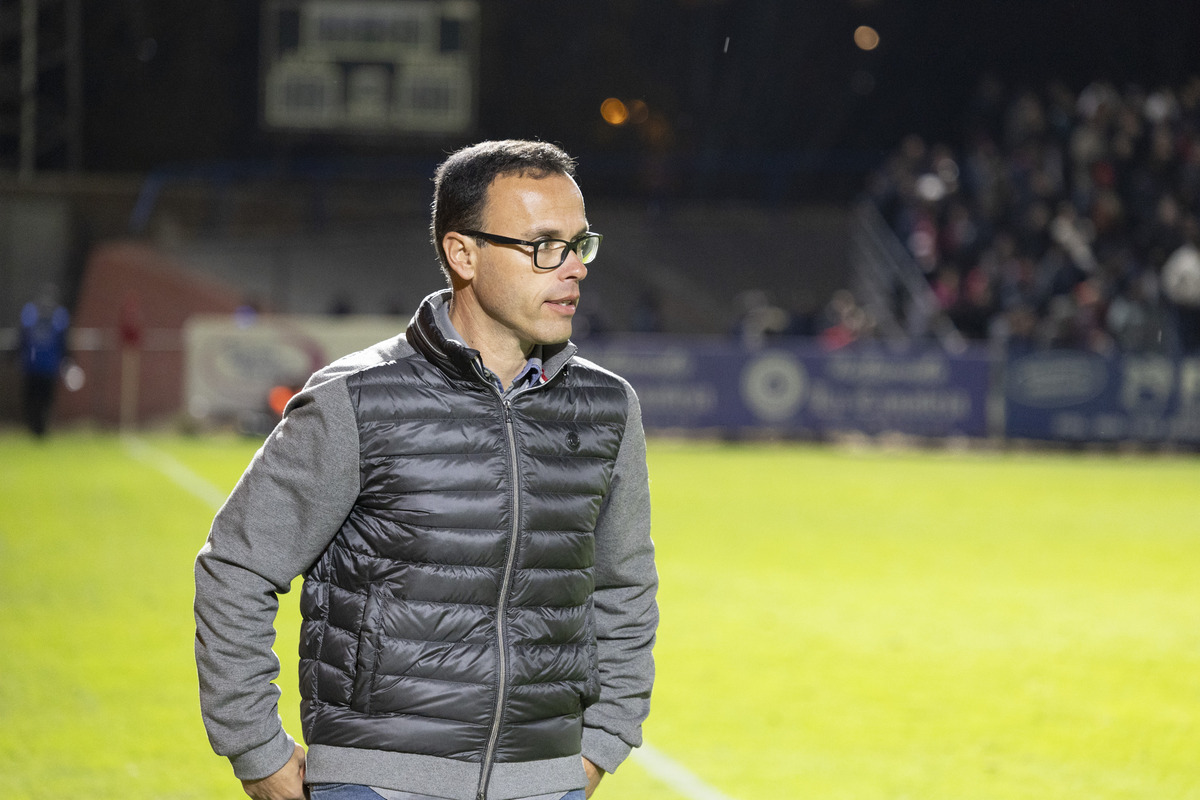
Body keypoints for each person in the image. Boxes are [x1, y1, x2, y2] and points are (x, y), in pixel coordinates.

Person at [194, 140, 658, 800]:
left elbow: (625, 586)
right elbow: (236, 567)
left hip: (547, 783)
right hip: (377, 786)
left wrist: (600, 745)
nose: (572, 268)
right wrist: (257, 752)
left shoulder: (609, 407)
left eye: (579, 244)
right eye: (544, 245)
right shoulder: (354, 398)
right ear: (462, 252)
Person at [17, 286, 70, 437]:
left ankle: (35, 427)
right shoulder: (57, 316)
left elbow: (22, 339)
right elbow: (63, 342)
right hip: (47, 367)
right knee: (43, 399)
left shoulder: (32, 314)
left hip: (34, 366)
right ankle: (39, 427)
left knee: (34, 399)